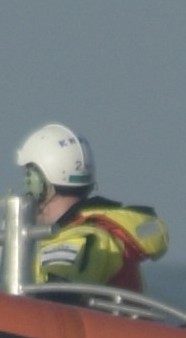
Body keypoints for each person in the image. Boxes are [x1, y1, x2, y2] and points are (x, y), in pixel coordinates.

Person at [10, 121, 166, 295]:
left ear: (40, 184)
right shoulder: (100, 231)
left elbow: (59, 299)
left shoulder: (79, 240)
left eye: (28, 178)